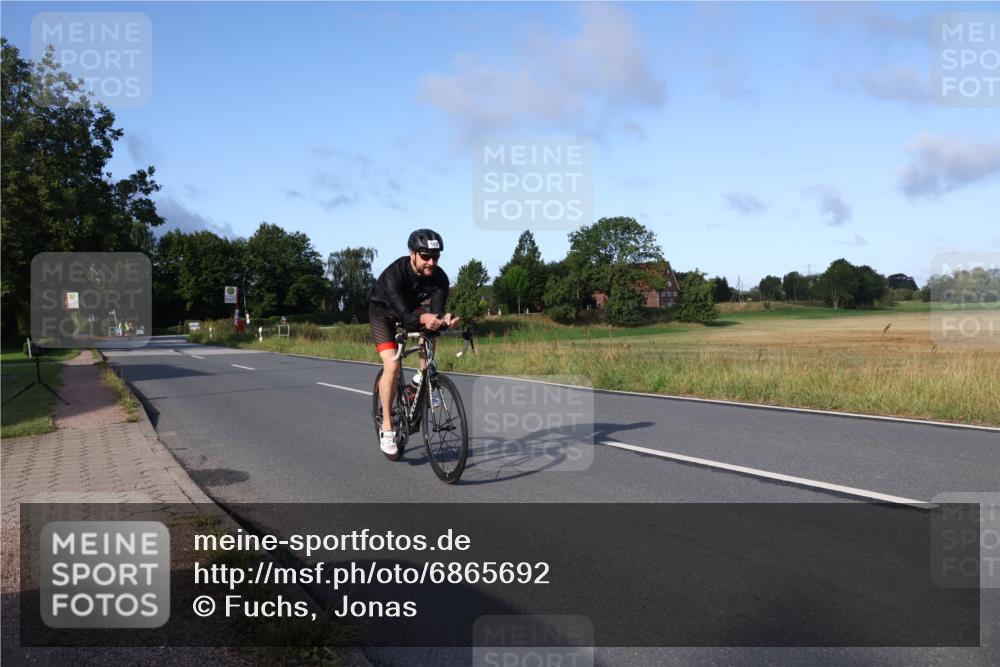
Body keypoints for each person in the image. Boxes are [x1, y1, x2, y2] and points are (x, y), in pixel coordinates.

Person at [368, 229, 460, 455]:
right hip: (384, 313)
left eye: (436, 257)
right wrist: (423, 318)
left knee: (431, 329)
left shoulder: (440, 278)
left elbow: (435, 313)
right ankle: (387, 426)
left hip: (411, 311)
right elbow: (406, 317)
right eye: (425, 256)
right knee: (392, 365)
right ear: (412, 254)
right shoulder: (394, 275)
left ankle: (422, 381)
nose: (431, 262)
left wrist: (444, 319)